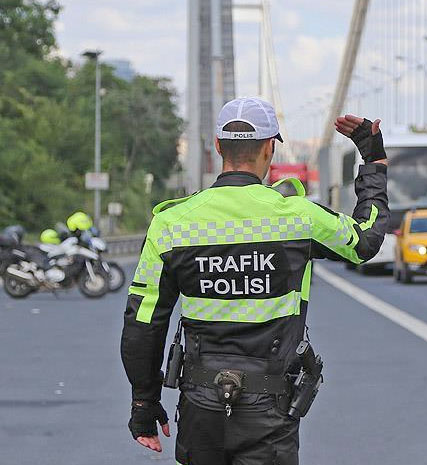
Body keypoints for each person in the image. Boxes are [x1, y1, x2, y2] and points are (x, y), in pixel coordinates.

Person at [121, 97, 389, 465]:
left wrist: (144, 404)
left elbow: (142, 323)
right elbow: (366, 240)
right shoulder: (298, 217)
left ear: (218, 147)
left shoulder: (171, 225)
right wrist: (372, 162)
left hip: (201, 405)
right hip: (270, 409)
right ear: (269, 148)